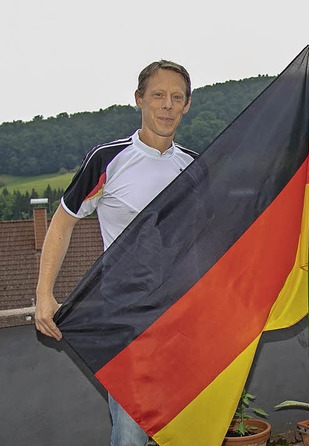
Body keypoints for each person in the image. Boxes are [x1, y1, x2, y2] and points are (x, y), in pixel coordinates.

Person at [35, 60, 197, 446]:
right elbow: (61, 223)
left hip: (182, 320)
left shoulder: (194, 165)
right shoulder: (108, 160)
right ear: (139, 100)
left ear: (188, 105)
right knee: (131, 433)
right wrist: (44, 294)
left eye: (177, 97)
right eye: (158, 95)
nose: (167, 105)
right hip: (125, 320)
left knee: (184, 429)